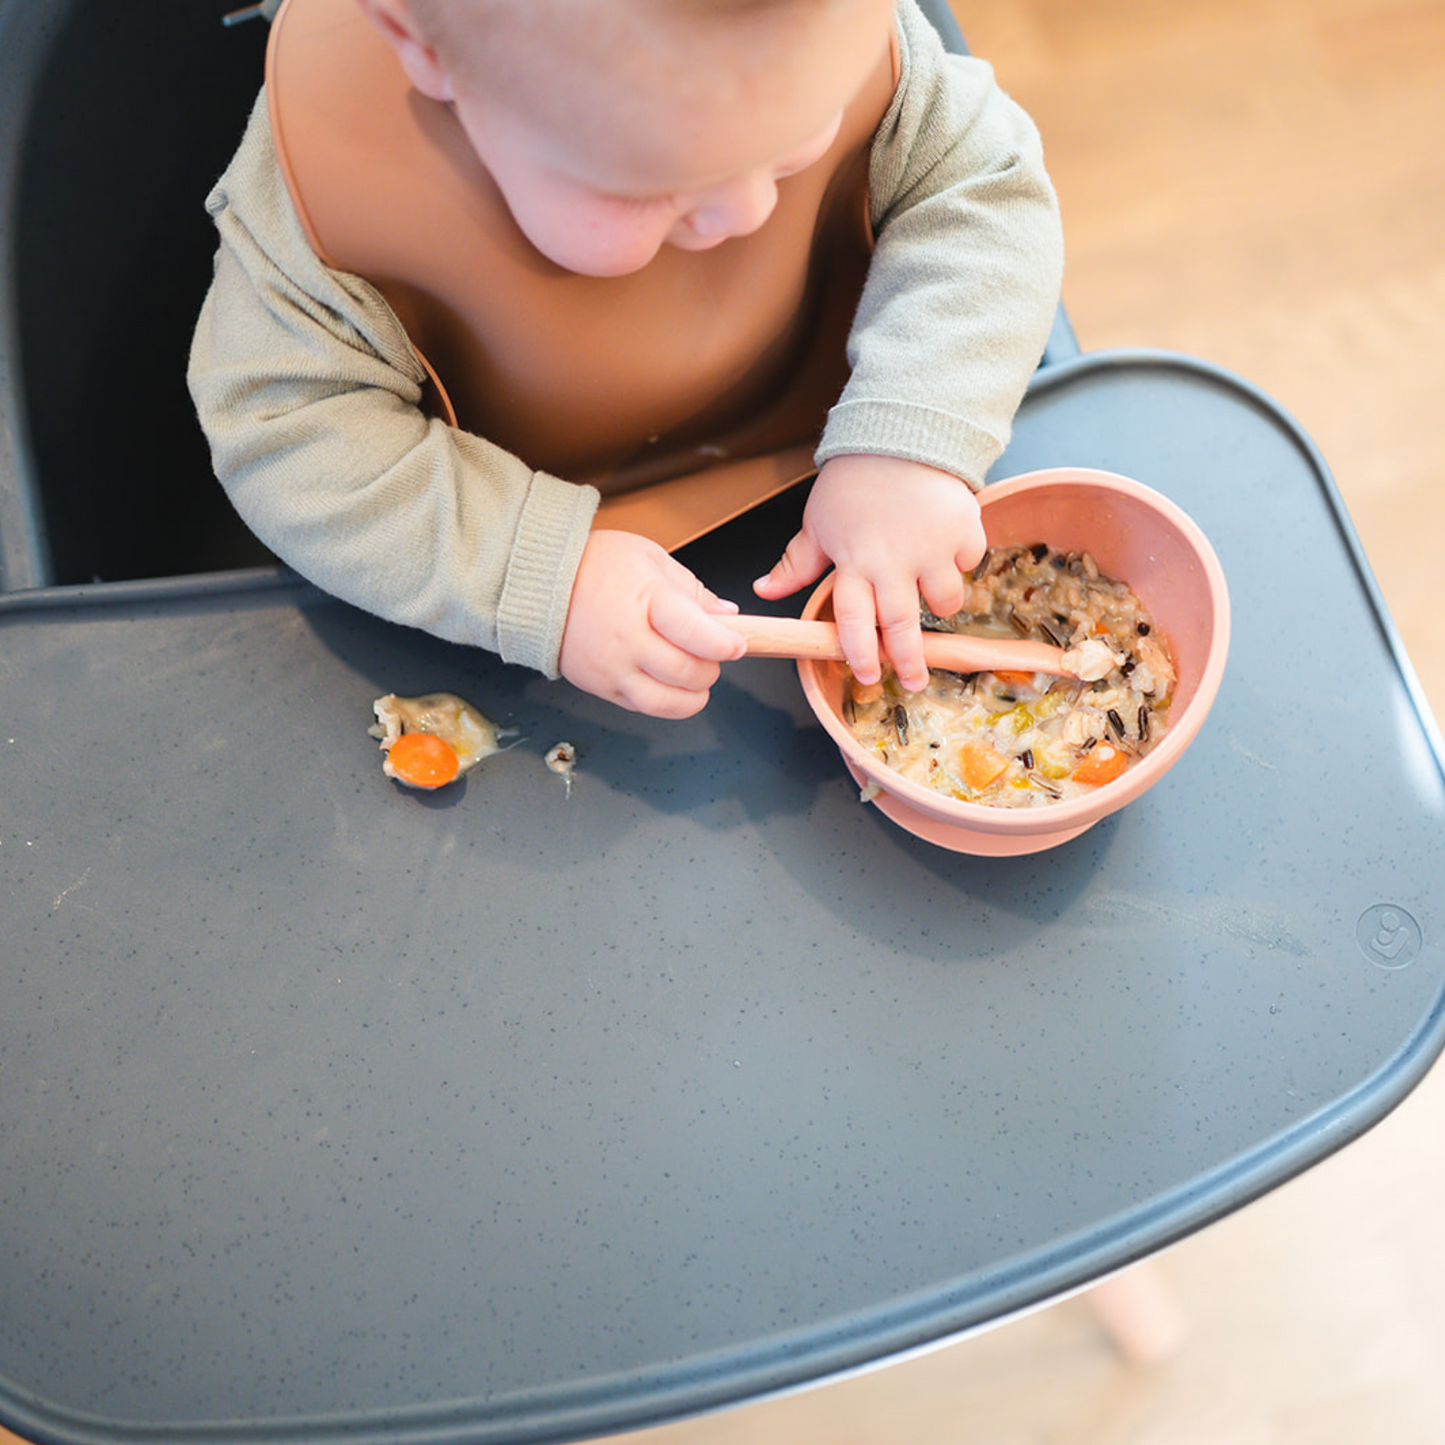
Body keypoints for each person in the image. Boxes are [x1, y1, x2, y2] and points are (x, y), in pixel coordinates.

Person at [188, 0, 1063, 719]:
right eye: (649, 187)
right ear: (423, 45)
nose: (746, 211)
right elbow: (289, 426)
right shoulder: (331, 196)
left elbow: (979, 186)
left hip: (857, 481)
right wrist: (538, 574)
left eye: (797, 136)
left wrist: (909, 437)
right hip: (534, 580)